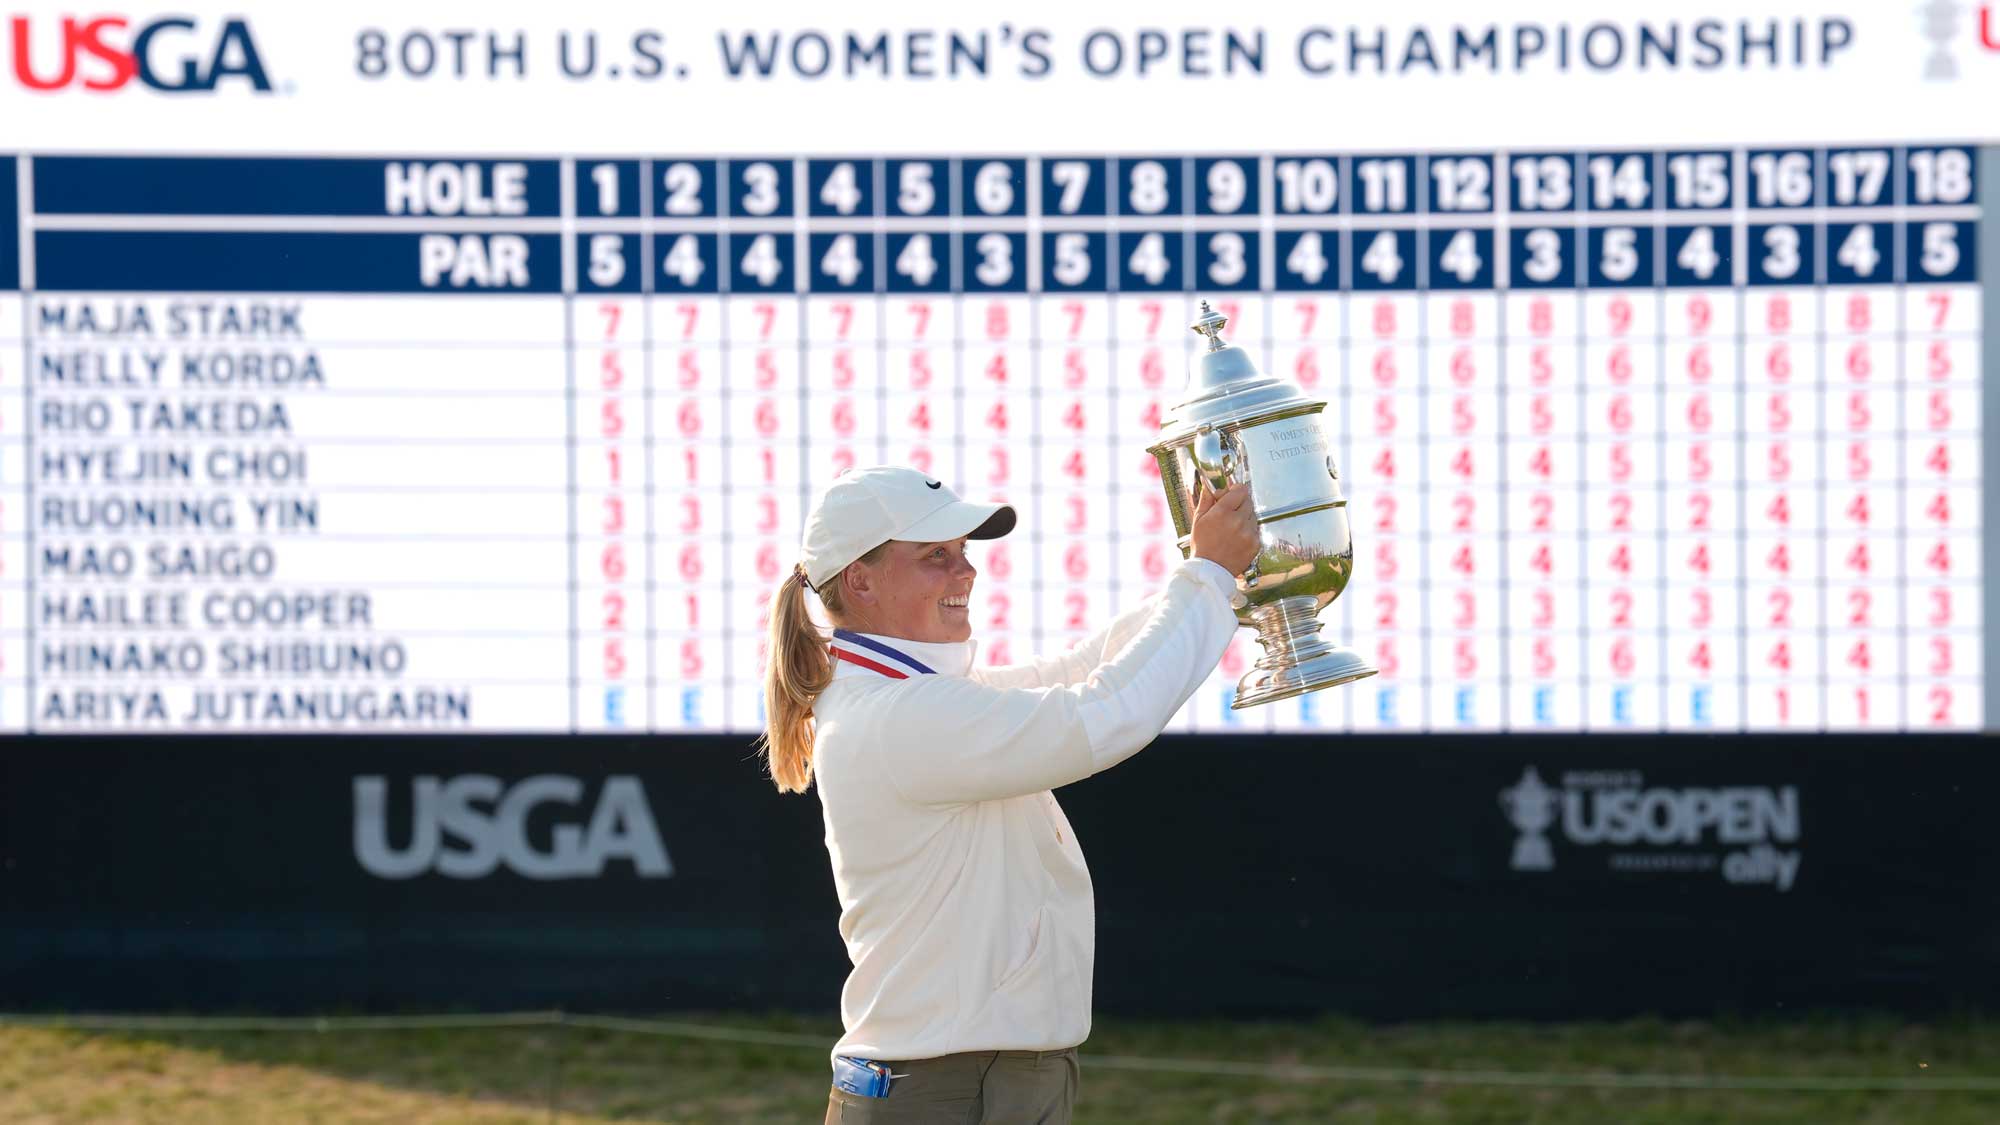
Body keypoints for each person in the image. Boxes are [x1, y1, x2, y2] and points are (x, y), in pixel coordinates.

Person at [759, 464, 1259, 1124]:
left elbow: (1079, 673)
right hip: (954, 1084)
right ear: (861, 579)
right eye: (935, 556)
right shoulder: (901, 715)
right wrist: (1209, 577)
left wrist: (1211, 579)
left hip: (956, 1077)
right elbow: (1102, 713)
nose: (965, 572)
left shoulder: (900, 699)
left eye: (963, 552)